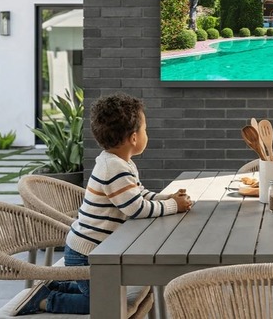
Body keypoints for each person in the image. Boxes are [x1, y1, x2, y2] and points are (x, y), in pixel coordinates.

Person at [15, 92, 193, 315]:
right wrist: (174, 207)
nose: (147, 134)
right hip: (87, 254)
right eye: (145, 129)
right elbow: (135, 209)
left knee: (97, 291)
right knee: (104, 302)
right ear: (134, 138)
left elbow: (138, 195)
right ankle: (47, 300)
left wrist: (166, 198)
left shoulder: (118, 162)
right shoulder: (114, 168)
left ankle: (56, 285)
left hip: (90, 248)